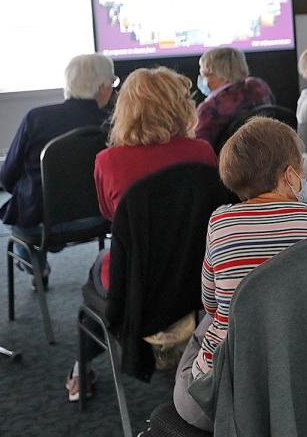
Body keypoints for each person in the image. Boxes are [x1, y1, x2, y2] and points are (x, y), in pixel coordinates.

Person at [173, 117, 307, 430]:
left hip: (223, 401)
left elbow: (209, 303)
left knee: (208, 322)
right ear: (290, 175)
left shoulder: (220, 224)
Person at [64, 66, 218, 402]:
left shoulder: (108, 161)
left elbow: (112, 218)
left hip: (139, 283)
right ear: (181, 106)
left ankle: (82, 367)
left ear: (125, 109)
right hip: (197, 276)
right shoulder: (204, 153)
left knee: (96, 277)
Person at [0, 54, 116, 285]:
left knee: (23, 214)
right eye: (112, 82)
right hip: (100, 220)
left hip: (40, 224)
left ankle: (36, 266)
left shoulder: (36, 118)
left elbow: (7, 176)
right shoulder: (113, 123)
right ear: (102, 87)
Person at [194, 47, 275, 147]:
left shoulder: (210, 108)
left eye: (203, 74)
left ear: (217, 73)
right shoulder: (259, 87)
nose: (202, 78)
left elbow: (200, 146)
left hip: (230, 159)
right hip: (268, 151)